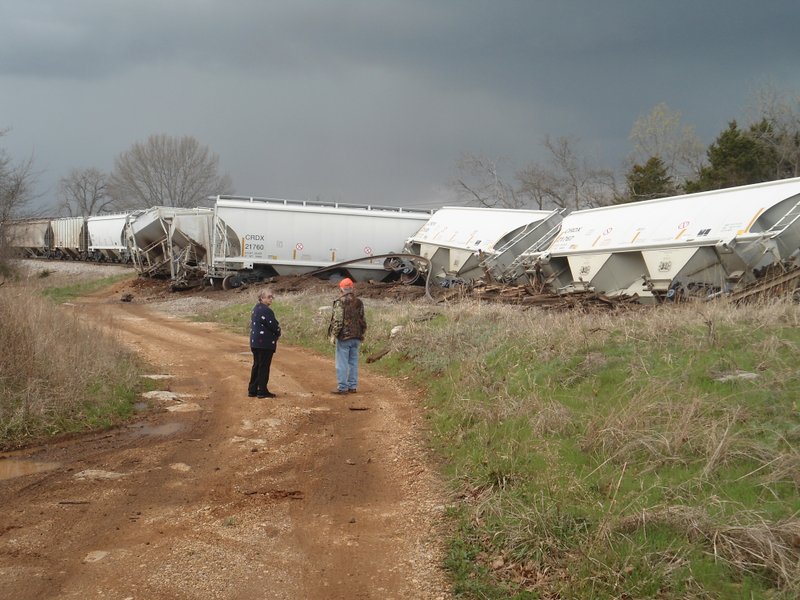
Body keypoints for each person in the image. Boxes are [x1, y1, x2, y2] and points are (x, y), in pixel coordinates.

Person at [327, 277, 367, 394]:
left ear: (341, 289)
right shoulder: (359, 302)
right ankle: (352, 386)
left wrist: (333, 335)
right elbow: (363, 320)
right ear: (352, 288)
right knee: (353, 363)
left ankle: (342, 387)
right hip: (356, 337)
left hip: (344, 337)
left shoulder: (340, 302)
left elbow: (338, 320)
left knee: (342, 363)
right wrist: (362, 333)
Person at [248, 288, 281, 399]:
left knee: (257, 365)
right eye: (269, 297)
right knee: (263, 366)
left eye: (272, 296)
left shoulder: (256, 308)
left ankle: (252, 390)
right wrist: (278, 331)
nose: (271, 299)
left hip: (255, 342)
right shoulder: (266, 310)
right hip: (264, 343)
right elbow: (273, 325)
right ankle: (262, 390)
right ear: (262, 298)